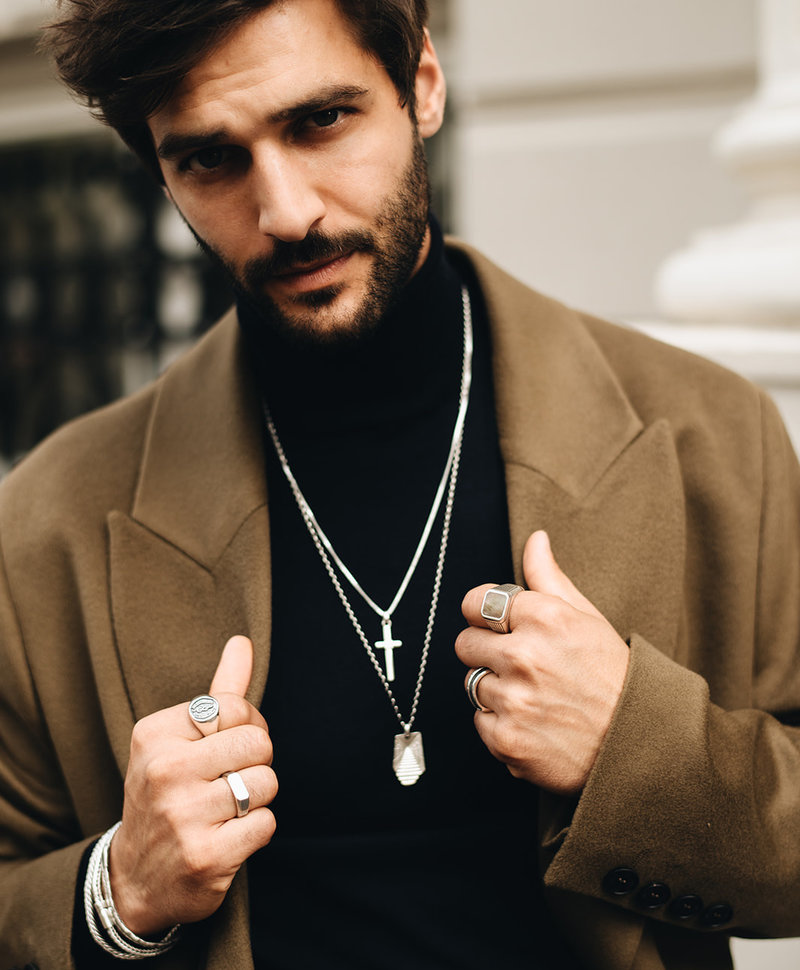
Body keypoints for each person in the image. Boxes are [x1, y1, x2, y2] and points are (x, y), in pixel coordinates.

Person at [1, 0, 799, 967]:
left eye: (320, 120)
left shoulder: (711, 435)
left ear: (421, 84)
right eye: (212, 158)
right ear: (159, 170)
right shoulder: (49, 522)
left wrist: (636, 750)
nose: (287, 210)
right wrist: (117, 889)